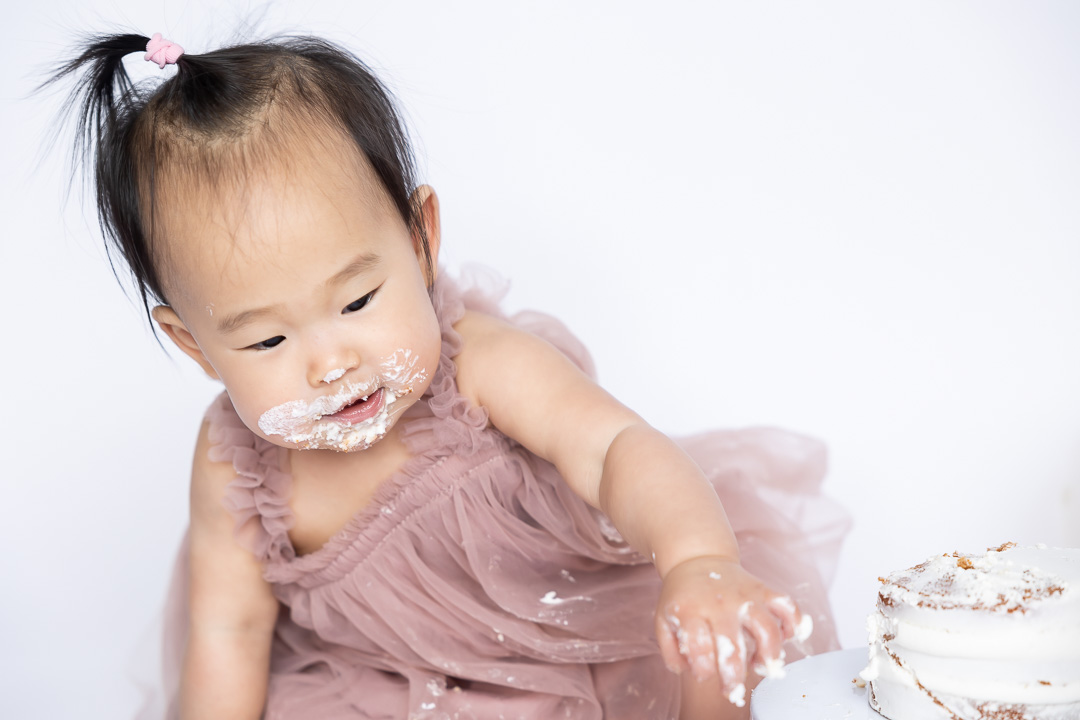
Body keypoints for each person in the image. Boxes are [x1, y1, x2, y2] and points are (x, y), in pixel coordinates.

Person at [46, 31, 850, 720]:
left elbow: (612, 450)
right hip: (386, 690)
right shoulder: (236, 466)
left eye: (358, 299)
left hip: (571, 647)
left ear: (422, 239)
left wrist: (695, 558)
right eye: (265, 342)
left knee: (704, 663)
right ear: (194, 347)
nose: (330, 363)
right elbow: (230, 631)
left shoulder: (479, 367)